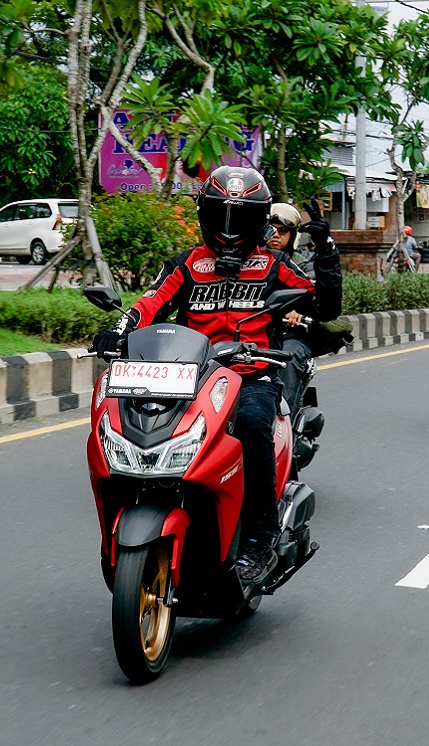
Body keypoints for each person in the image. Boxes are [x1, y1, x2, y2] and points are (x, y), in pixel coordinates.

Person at [92, 166, 316, 585]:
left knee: (251, 426)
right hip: (190, 375)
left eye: (242, 218)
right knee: (135, 421)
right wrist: (118, 331)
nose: (230, 231)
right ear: (205, 216)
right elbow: (149, 304)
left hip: (253, 374)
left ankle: (260, 539)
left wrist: (325, 252)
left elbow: (319, 299)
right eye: (221, 216)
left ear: (259, 220)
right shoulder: (188, 265)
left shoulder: (275, 265)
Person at [265, 201, 343, 416]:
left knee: (288, 358)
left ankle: (281, 428)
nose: (275, 236)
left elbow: (326, 304)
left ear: (293, 235)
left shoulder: (303, 265)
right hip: (251, 336)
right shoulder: (248, 262)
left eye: (282, 231)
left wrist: (325, 248)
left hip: (289, 335)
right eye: (270, 230)